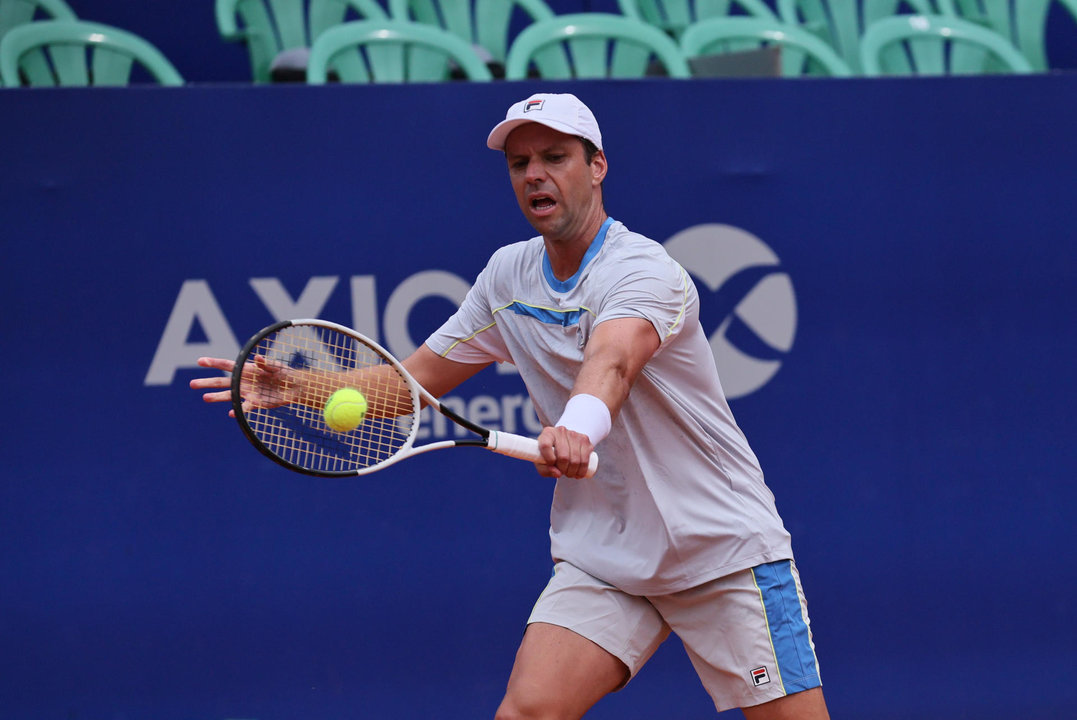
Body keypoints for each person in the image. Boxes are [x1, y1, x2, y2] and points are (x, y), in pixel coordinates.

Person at [191, 93, 829, 719]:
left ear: (597, 165)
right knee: (528, 712)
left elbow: (611, 361)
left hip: (719, 548)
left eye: (555, 157)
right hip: (606, 554)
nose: (535, 175)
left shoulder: (644, 271)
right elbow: (411, 385)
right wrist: (299, 388)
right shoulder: (507, 277)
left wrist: (576, 430)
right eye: (520, 164)